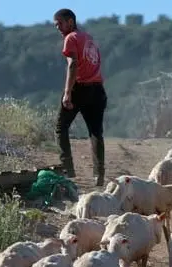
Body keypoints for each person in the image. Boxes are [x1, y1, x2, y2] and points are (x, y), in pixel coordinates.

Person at [53, 8, 107, 186]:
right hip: (97, 89)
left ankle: (67, 170)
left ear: (70, 21)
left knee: (61, 128)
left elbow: (73, 64)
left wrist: (68, 92)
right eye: (56, 24)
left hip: (79, 88)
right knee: (95, 132)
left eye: (60, 23)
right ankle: (99, 174)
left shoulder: (71, 38)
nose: (58, 27)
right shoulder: (88, 38)